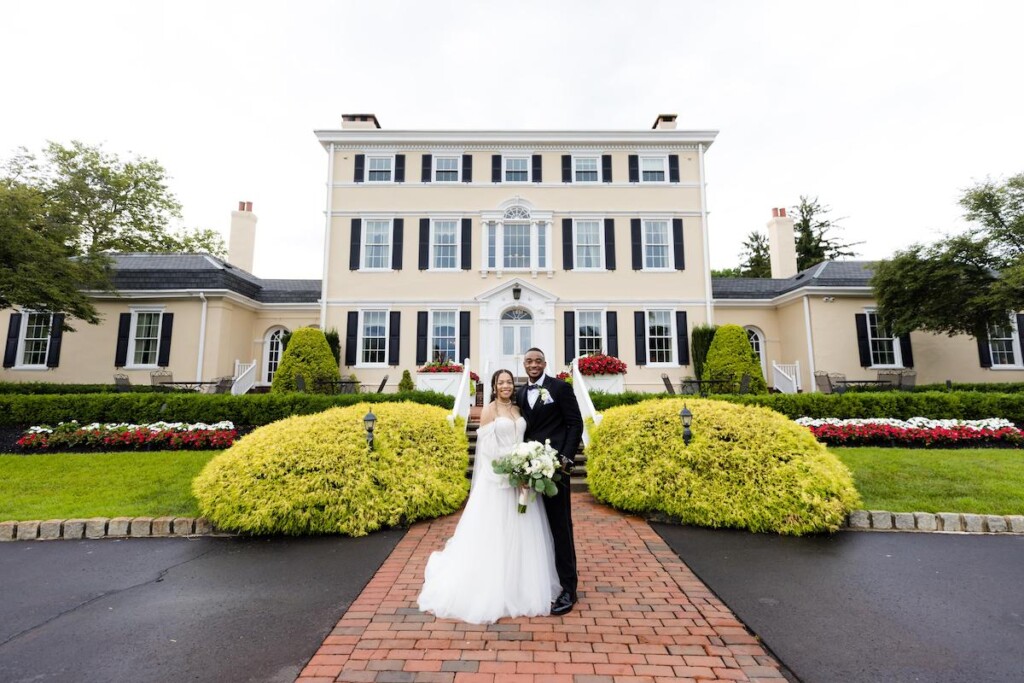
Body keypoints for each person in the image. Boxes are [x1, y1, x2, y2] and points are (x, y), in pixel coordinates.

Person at [417, 369, 560, 624]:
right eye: (500, 382)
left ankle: (520, 585)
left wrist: (527, 470)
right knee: (496, 534)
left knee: (522, 532)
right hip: (498, 481)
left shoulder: (518, 409)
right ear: (494, 386)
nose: (505, 385)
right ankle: (493, 586)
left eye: (508, 382)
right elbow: (485, 450)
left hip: (521, 480)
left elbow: (524, 440)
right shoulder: (489, 410)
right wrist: (510, 473)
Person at [516, 347, 584, 616]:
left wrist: (566, 459)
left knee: (560, 528)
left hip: (555, 470)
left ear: (545, 363)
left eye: (537, 361)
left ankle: (569, 588)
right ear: (524, 365)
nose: (533, 365)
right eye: (529, 361)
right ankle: (537, 581)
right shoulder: (520, 393)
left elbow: (574, 424)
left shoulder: (560, 389)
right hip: (527, 471)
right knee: (531, 527)